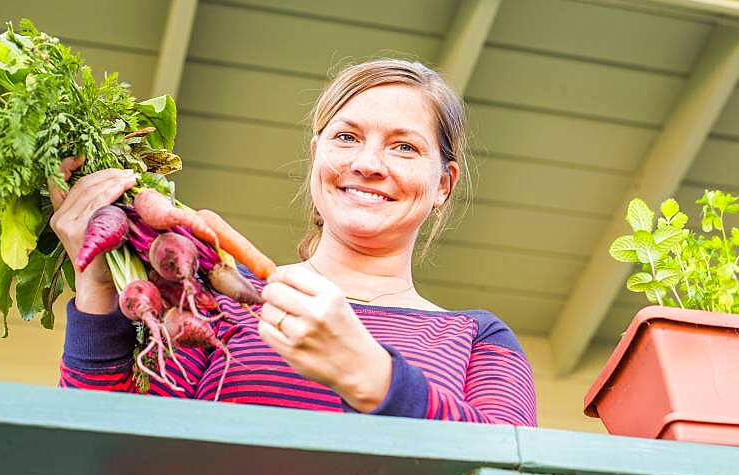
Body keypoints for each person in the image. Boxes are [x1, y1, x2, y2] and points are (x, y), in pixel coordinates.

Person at [51, 59, 537, 426]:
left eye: (404, 146)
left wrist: (374, 377)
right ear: (315, 156)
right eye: (346, 137)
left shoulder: (478, 340)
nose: (367, 163)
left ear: (444, 185)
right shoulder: (214, 298)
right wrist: (96, 288)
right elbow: (112, 450)